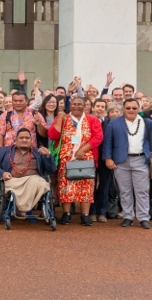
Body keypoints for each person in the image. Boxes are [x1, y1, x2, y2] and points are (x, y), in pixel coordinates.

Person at [102, 97, 152, 229]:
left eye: (134, 108)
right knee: (124, 191)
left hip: (141, 159)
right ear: (123, 109)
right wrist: (108, 158)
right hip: (121, 160)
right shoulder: (114, 123)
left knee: (142, 190)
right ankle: (128, 216)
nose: (131, 110)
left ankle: (143, 217)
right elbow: (107, 142)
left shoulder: (147, 122)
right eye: (128, 108)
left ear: (139, 109)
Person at [49, 94, 103, 226]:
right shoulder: (63, 118)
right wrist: (59, 120)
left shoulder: (92, 119)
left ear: (85, 107)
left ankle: (85, 215)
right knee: (66, 186)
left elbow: (98, 137)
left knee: (86, 187)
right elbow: (52, 135)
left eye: (80, 104)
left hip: (86, 157)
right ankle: (66, 213)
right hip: (66, 158)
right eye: (74, 104)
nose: (77, 106)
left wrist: (83, 150)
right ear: (69, 106)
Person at [0, 127, 54, 214]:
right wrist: (2, 173)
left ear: (31, 140)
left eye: (27, 138)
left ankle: (26, 209)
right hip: (12, 181)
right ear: (15, 140)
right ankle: (26, 209)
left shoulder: (38, 152)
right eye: (21, 138)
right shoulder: (4, 151)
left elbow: (52, 169)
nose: (24, 140)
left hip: (33, 180)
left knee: (41, 183)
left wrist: (48, 156)